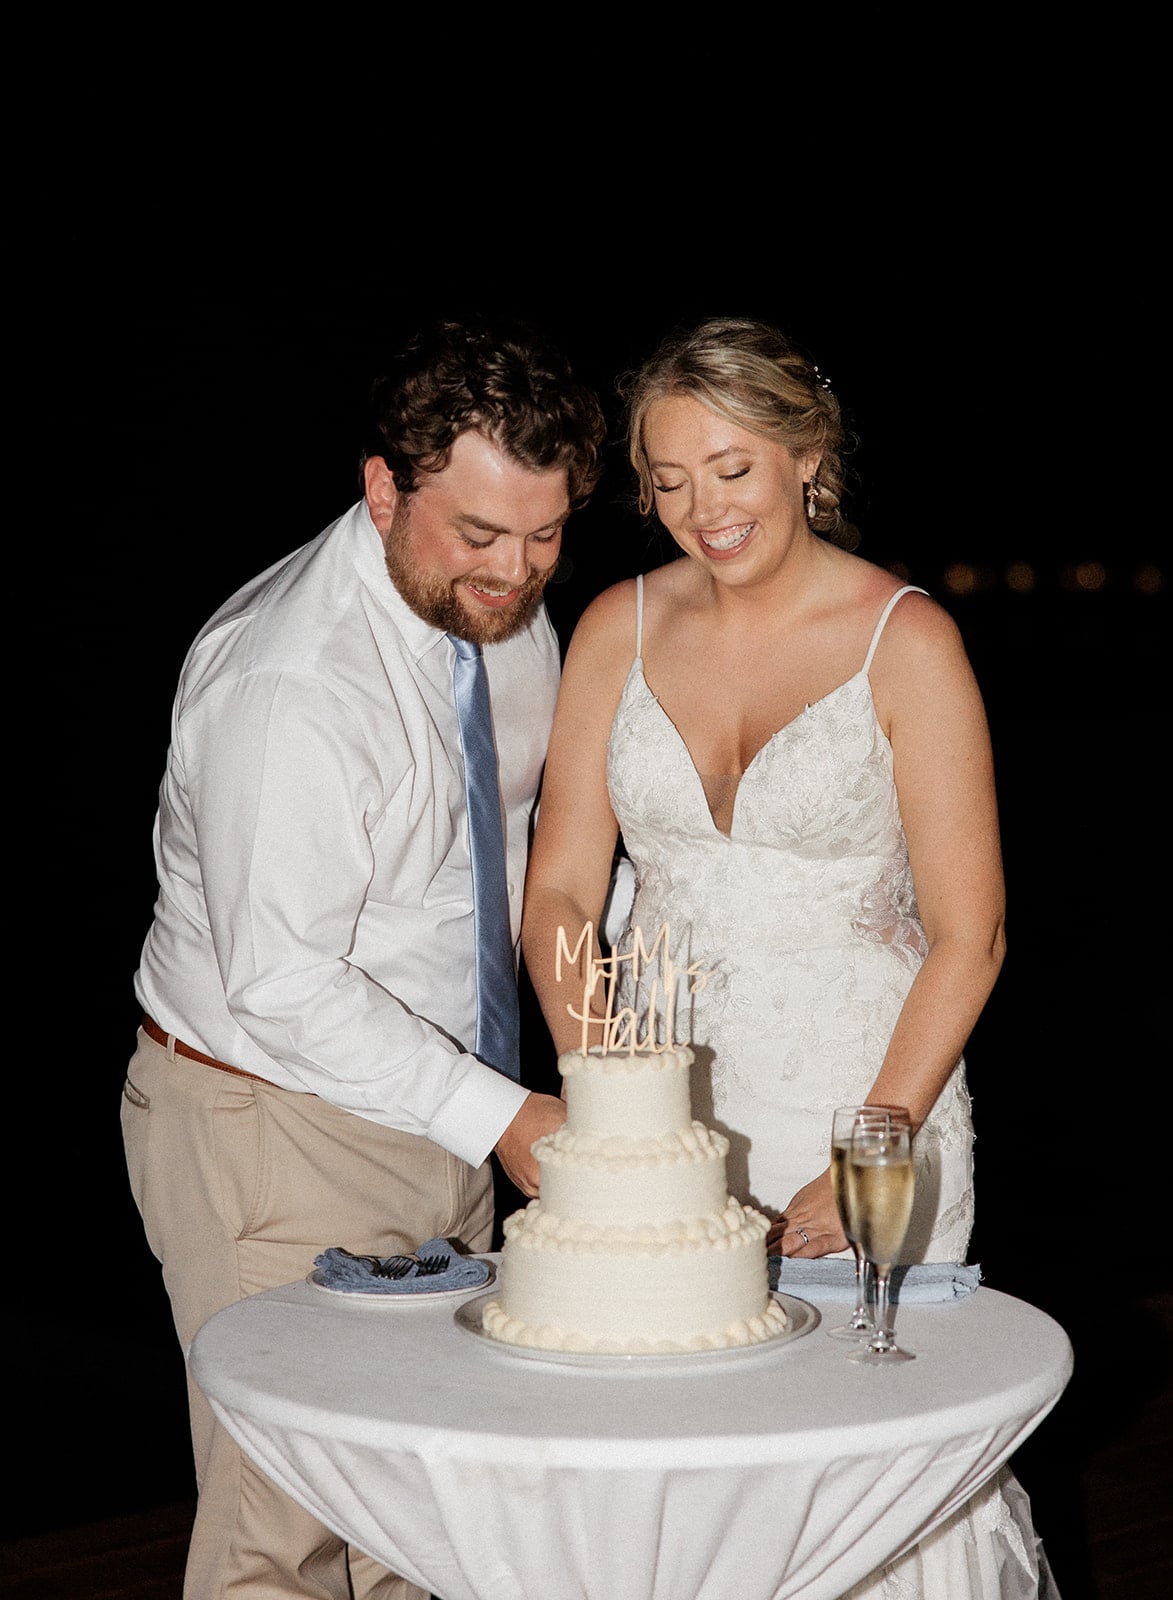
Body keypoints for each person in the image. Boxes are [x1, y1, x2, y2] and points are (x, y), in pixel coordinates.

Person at [521, 318, 1058, 1596]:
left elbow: (968, 933)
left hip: (864, 1109)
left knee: (859, 1487)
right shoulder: (614, 625)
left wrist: (875, 1145)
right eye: (666, 480)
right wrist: (615, 1107)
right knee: (668, 1485)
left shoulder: (908, 640)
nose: (699, 508)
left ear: (805, 453)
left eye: (731, 468)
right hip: (662, 1123)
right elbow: (556, 889)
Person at [121, 315, 606, 1600]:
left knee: (417, 1519)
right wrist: (503, 1113)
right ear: (383, 487)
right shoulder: (292, 685)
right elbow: (280, 981)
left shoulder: (511, 624)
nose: (516, 573)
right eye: (482, 535)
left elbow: (498, 873)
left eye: (547, 533)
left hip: (447, 1112)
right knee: (284, 1539)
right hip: (271, 1127)